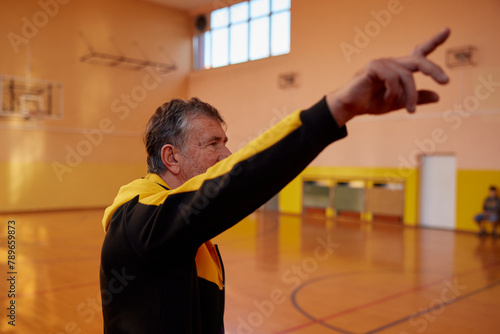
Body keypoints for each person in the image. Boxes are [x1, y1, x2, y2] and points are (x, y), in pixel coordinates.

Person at [100, 28, 451, 333]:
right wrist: (335, 110)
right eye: (212, 144)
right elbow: (236, 181)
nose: (227, 155)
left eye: (225, 142)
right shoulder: (140, 221)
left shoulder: (173, 227)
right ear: (171, 157)